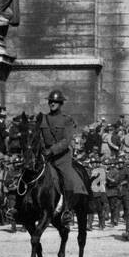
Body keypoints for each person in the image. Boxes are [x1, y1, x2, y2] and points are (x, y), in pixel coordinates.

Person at [41, 89, 89, 227]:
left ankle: (67, 210)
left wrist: (52, 150)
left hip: (61, 157)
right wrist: (43, 150)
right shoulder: (42, 119)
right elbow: (38, 137)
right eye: (51, 101)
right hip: (45, 156)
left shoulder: (67, 120)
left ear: (60, 104)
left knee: (68, 178)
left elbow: (66, 140)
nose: (52, 104)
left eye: (55, 102)